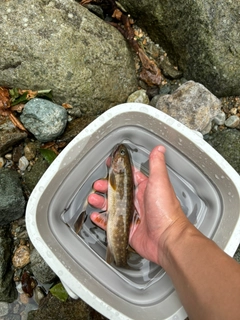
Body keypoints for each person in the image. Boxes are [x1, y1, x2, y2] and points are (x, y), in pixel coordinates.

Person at [88, 145, 240, 320]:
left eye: (121, 154)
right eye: (121, 154)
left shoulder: (117, 172)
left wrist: (170, 233)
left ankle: (113, 275)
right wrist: (170, 232)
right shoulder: (119, 173)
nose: (118, 154)